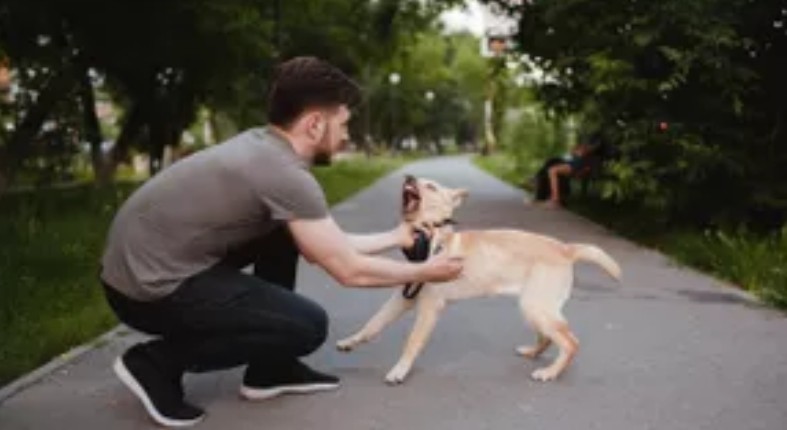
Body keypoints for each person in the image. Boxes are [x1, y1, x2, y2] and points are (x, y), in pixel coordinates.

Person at [99, 56, 464, 427]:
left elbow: (329, 245)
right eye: (343, 124)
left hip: (143, 270)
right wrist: (426, 271)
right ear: (315, 123)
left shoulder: (265, 148)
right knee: (305, 326)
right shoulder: (284, 174)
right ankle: (156, 363)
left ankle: (270, 370)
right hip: (147, 291)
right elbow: (348, 271)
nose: (347, 135)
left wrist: (395, 237)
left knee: (282, 235)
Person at [531, 138, 599, 208]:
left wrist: (581, 154)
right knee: (550, 164)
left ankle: (555, 200)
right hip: (570, 163)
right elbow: (571, 156)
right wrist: (575, 152)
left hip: (575, 166)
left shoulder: (590, 155)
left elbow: (587, 167)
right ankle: (543, 197)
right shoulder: (579, 151)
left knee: (552, 170)